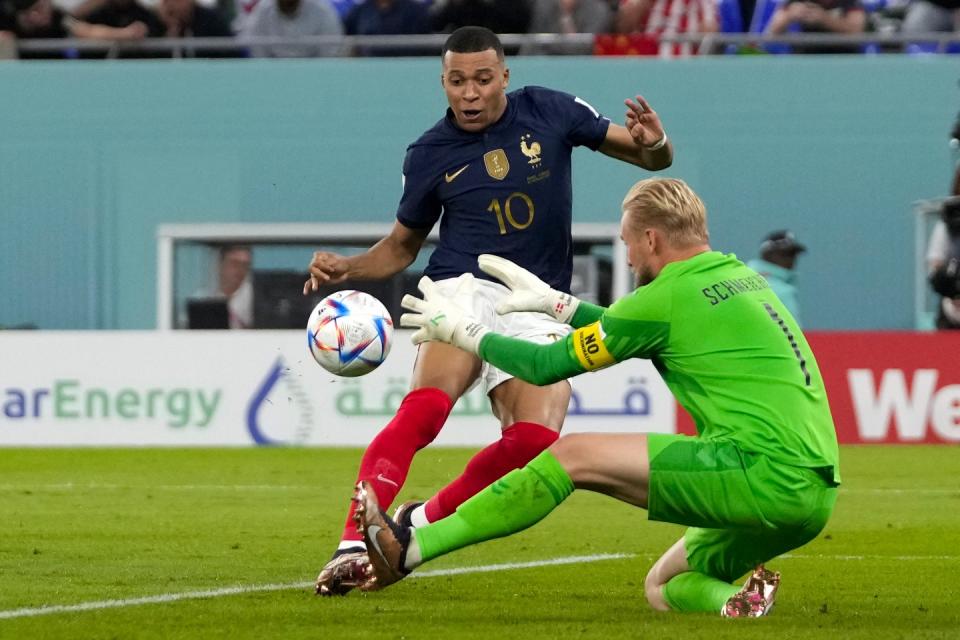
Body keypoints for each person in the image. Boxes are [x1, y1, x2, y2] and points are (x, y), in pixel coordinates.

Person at [353, 177, 840, 619]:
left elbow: (546, 366)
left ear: (652, 238)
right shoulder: (741, 278)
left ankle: (410, 549)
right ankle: (736, 602)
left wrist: (468, 334)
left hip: (759, 471)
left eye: (628, 242)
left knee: (570, 456)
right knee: (663, 585)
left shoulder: (665, 297)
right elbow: (641, 328)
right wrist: (559, 305)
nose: (627, 256)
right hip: (814, 495)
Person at [303, 26, 674, 596]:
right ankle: (353, 540)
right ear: (443, 83)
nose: (470, 93)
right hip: (460, 285)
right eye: (457, 81)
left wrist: (654, 144)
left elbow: (649, 157)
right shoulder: (429, 153)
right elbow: (402, 247)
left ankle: (410, 526)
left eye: (481, 79)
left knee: (533, 443)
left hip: (535, 297)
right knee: (425, 411)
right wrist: (347, 269)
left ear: (504, 76)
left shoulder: (550, 110)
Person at [2, 0, 150, 59]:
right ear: (22, 14)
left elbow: (87, 30)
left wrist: (124, 33)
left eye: (44, 6)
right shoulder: (5, 18)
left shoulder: (57, 16)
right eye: (35, 10)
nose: (42, 14)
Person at [241, 0, 343, 58]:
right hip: (272, 77)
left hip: (314, 76)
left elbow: (330, 55)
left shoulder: (323, 12)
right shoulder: (261, 12)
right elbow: (258, 55)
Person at [746, 229, 806, 325]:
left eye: (793, 254)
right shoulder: (781, 290)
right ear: (767, 255)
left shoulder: (743, 277)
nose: (791, 260)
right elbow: (792, 333)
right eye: (784, 254)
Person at [764, 0, 866, 54]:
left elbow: (856, 31)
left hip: (842, 60)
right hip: (806, 60)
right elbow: (772, 31)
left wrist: (825, 19)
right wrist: (789, 15)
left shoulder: (850, 2)